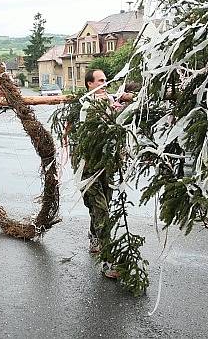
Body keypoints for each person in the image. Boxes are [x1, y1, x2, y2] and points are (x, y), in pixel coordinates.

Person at [79, 69, 133, 279]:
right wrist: (108, 103)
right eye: (100, 81)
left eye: (105, 81)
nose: (104, 84)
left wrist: (125, 102)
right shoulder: (86, 106)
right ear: (90, 84)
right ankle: (108, 262)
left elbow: (119, 121)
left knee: (103, 206)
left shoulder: (108, 103)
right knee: (102, 211)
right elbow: (92, 124)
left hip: (105, 167)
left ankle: (93, 235)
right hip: (88, 170)